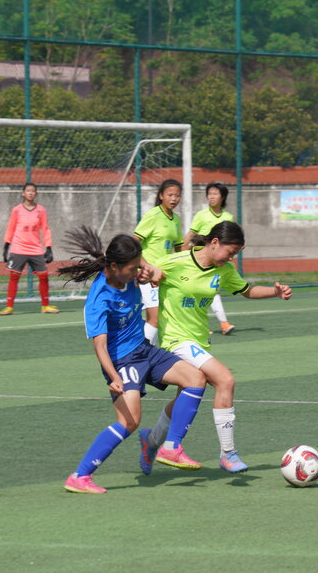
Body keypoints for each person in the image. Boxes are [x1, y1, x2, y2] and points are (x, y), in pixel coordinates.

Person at [57, 228, 210, 493]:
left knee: (196, 378)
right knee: (129, 422)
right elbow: (100, 346)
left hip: (144, 350)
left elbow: (143, 265)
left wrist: (150, 269)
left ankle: (171, 448)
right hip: (122, 362)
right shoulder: (99, 298)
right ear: (114, 267)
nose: (136, 272)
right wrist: (114, 377)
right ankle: (79, 477)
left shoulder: (129, 272)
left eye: (137, 266)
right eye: (131, 268)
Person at [142, 220, 293, 474]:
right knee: (225, 380)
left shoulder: (224, 270)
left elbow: (247, 290)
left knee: (184, 397)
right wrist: (147, 273)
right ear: (214, 243)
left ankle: (151, 440)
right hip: (175, 340)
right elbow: (143, 268)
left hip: (199, 340)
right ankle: (226, 453)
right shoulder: (175, 262)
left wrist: (274, 292)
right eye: (230, 252)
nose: (231, 258)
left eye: (235, 254)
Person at [133, 178, 184, 345]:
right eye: (170, 195)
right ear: (161, 195)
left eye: (177, 195)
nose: (174, 199)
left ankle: (149, 352)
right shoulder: (153, 215)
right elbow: (133, 242)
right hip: (147, 276)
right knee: (155, 318)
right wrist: (146, 267)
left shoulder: (176, 220)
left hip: (163, 276)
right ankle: (142, 353)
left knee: (161, 318)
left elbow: (179, 249)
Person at [183, 181, 236, 336]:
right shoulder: (201, 215)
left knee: (212, 290)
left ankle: (219, 324)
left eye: (215, 194)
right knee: (204, 291)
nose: (211, 197)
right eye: (209, 194)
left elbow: (231, 239)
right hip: (201, 260)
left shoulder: (228, 217)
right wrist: (183, 252)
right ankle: (221, 323)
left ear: (222, 197)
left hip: (217, 261)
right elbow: (190, 235)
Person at [0, 182, 58, 315]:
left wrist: (48, 247)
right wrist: (6, 246)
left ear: (36, 194)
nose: (30, 193)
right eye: (28, 191)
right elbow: (10, 228)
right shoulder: (16, 210)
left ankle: (45, 306)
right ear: (23, 193)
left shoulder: (41, 210)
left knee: (43, 276)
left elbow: (45, 229)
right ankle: (9, 306)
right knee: (14, 276)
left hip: (36, 249)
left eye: (33, 191)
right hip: (18, 248)